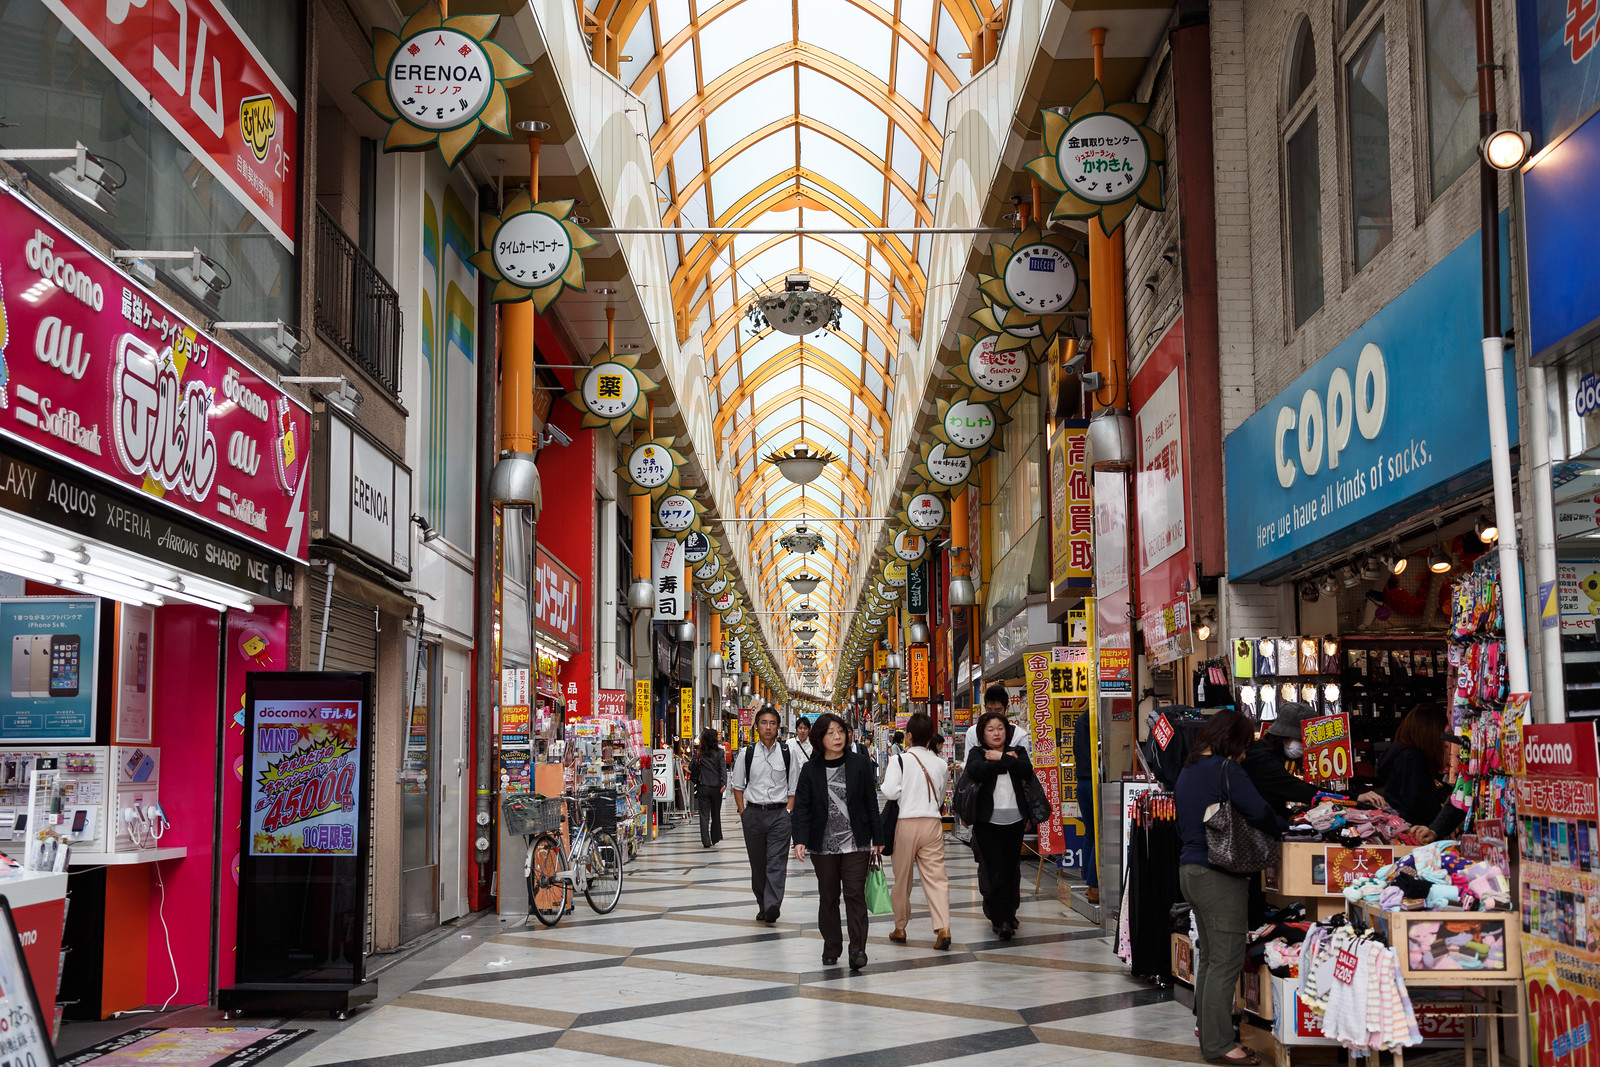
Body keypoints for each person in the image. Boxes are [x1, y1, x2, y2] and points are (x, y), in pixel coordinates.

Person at [1176, 708, 1286, 1066]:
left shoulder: (1188, 771)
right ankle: (1220, 1044)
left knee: (1210, 960)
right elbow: (1259, 811)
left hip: (1190, 870)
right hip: (1219, 875)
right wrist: (1281, 825)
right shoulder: (1227, 771)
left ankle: (1210, 1036)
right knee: (1224, 962)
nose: (1244, 752)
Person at [792, 712, 884, 970]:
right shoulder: (811, 769)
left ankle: (857, 949)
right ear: (819, 738)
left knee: (855, 893)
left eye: (840, 731)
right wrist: (799, 839)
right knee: (828, 896)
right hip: (823, 845)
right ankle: (831, 946)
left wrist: (879, 836)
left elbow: (870, 802)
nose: (837, 737)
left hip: (856, 842)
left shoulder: (859, 764)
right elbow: (802, 807)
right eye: (830, 733)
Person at [964, 710, 1036, 939]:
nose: (996, 733)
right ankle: (1000, 920)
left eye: (1000, 728)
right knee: (994, 869)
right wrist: (1005, 761)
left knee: (1010, 869)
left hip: (1015, 821)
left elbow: (1026, 769)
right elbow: (977, 771)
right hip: (988, 822)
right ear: (982, 734)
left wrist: (1000, 758)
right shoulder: (977, 753)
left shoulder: (1019, 751)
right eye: (990, 729)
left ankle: (1008, 914)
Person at [882, 712, 951, 949]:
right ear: (931, 737)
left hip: (906, 824)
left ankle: (900, 927)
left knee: (902, 879)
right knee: (936, 877)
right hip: (932, 824)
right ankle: (943, 927)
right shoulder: (941, 764)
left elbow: (890, 792)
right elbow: (940, 797)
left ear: (908, 736)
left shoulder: (899, 761)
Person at [731, 706, 801, 923]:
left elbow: (794, 787)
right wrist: (743, 813)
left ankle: (772, 905)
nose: (768, 727)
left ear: (778, 727)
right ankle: (763, 903)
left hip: (779, 815)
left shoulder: (788, 754)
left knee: (777, 862)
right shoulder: (747, 753)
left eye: (772, 723)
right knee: (758, 864)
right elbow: (737, 786)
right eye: (763, 722)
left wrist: (788, 811)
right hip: (753, 814)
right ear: (756, 726)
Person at [1362, 703, 1463, 841]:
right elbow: (1417, 803)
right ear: (1430, 731)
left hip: (1402, 829)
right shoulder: (1411, 757)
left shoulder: (1401, 753)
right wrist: (1440, 815)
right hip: (1412, 832)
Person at [1242, 702, 1320, 818]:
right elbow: (1296, 790)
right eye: (1299, 740)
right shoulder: (1262, 759)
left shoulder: (1267, 753)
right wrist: (1347, 797)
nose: (1302, 746)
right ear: (1282, 737)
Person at [1072, 706, 1100, 904]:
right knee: (1099, 834)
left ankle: (1090, 884)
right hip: (1096, 782)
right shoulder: (1098, 718)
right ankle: (1095, 886)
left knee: (1090, 833)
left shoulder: (1080, 720)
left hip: (1082, 782)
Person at [964, 685, 1032, 754]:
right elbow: (968, 762)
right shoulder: (973, 733)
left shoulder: (1019, 735)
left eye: (998, 710)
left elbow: (1024, 763)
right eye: (989, 710)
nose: (993, 715)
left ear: (1007, 708)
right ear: (984, 708)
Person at [692, 728, 728, 848]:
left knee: (704, 814)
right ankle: (715, 837)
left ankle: (705, 841)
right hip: (717, 787)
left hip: (703, 786)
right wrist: (724, 783)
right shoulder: (720, 752)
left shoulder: (699, 752)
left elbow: (692, 766)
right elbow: (723, 768)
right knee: (715, 813)